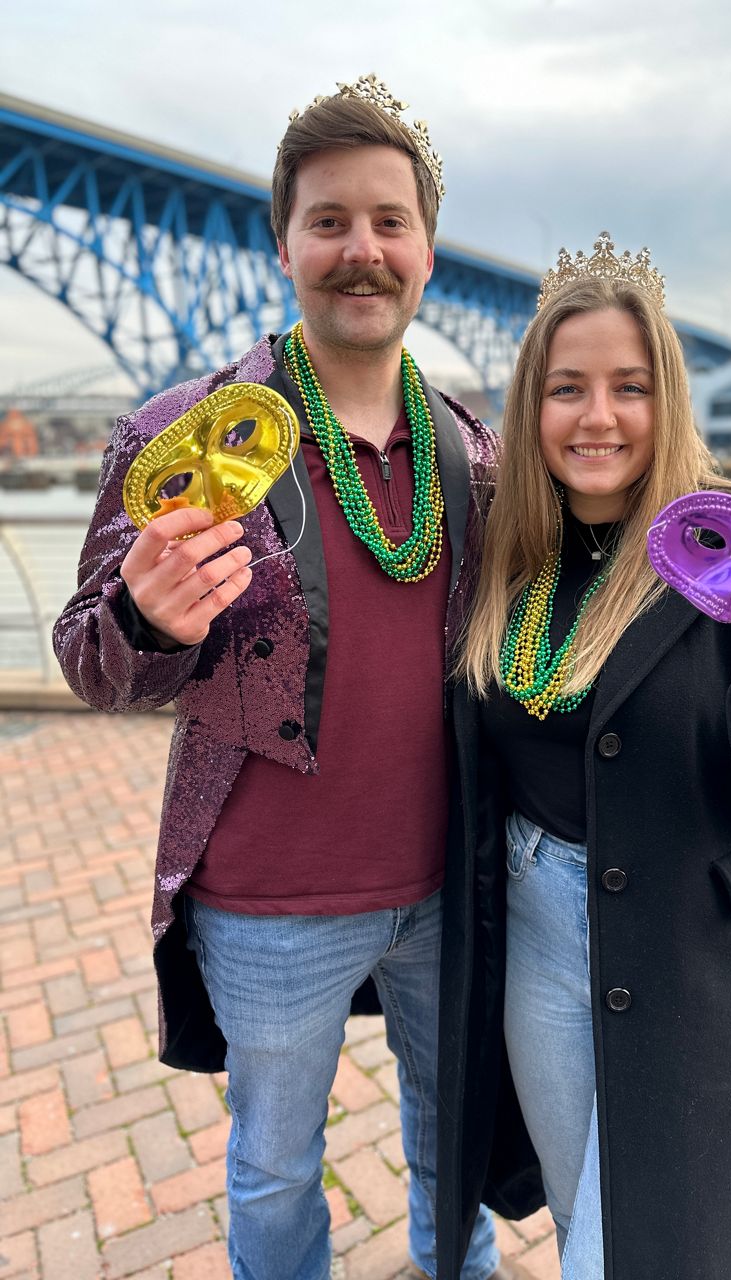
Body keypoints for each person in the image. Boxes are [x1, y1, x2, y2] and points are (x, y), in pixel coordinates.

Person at [53, 74, 523, 1280]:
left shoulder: (480, 452)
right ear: (283, 244)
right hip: (264, 902)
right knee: (272, 1166)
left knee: (453, 1144)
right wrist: (143, 620)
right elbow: (87, 662)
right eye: (328, 221)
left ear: (424, 251)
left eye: (388, 221)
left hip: (450, 887)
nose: (360, 249)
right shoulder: (184, 431)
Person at [436, 233, 731, 1280]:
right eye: (568, 387)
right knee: (594, 1206)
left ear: (666, 397)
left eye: (629, 386)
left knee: (633, 1250)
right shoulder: (507, 549)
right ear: (531, 404)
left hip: (695, 953)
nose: (598, 417)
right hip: (539, 934)